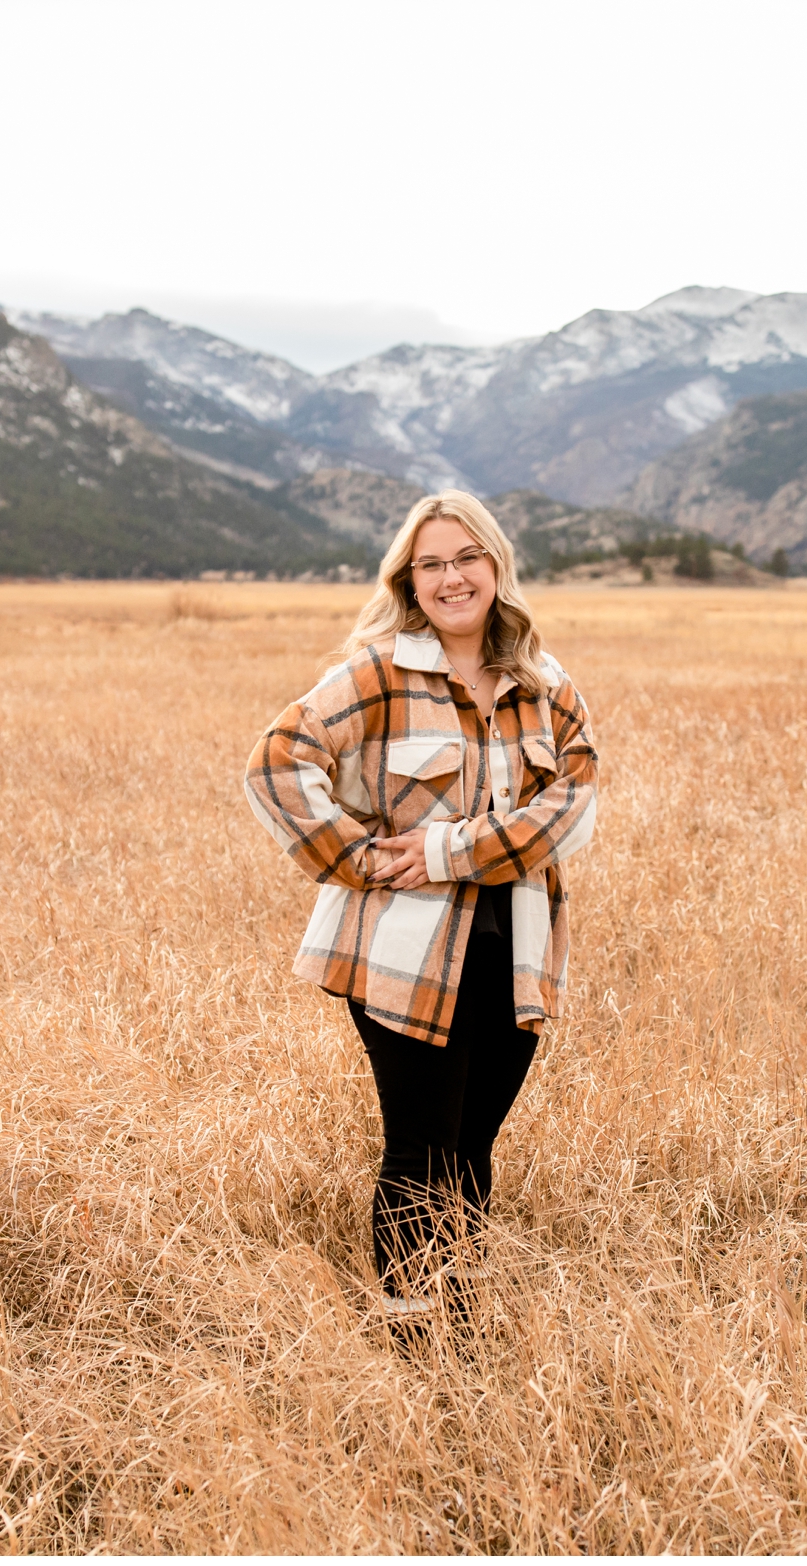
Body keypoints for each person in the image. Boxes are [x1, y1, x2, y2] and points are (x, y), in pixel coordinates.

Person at [243, 493, 601, 1319]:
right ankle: (420, 1345)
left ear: (497, 566)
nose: (451, 578)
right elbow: (275, 762)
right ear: (409, 578)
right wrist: (356, 860)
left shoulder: (543, 685)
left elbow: (574, 805)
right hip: (400, 958)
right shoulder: (377, 673)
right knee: (421, 1152)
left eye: (467, 557)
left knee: (473, 1152)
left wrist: (449, 848)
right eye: (431, 563)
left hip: (514, 950)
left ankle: (460, 1323)